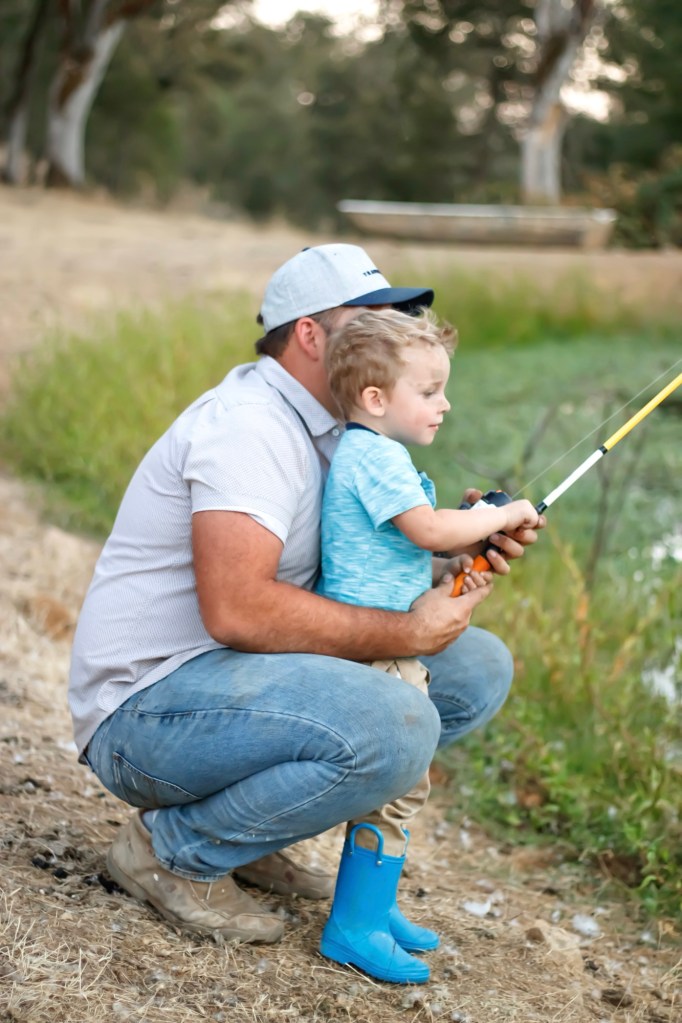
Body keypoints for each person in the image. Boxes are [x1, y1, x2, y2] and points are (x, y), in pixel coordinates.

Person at [68, 242, 544, 958]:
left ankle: (244, 831)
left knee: (475, 668)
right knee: (396, 722)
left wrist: (449, 555)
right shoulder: (250, 426)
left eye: (397, 318)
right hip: (146, 712)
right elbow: (238, 611)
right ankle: (173, 851)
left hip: (235, 677)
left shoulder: (343, 431)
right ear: (310, 335)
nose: (390, 336)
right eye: (370, 319)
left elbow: (345, 566)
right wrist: (406, 633)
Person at [313, 307, 541, 982]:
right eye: (430, 390)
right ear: (375, 398)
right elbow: (427, 530)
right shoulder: (376, 455)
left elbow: (414, 550)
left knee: (403, 788)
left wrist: (460, 556)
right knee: (399, 788)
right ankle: (354, 925)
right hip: (377, 651)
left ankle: (374, 908)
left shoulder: (374, 453)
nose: (445, 404)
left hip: (384, 642)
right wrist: (498, 514)